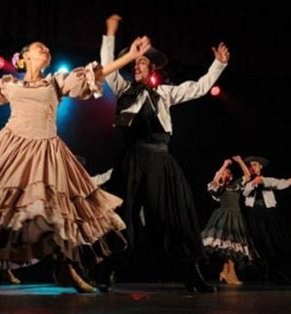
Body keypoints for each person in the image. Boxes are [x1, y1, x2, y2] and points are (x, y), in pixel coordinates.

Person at [0, 36, 152, 295]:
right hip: (11, 150)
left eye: (47, 49)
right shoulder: (10, 85)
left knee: (58, 213)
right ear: (25, 57)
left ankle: (66, 269)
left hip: (46, 151)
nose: (46, 50)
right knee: (2, 209)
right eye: (40, 48)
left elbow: (97, 73)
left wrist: (129, 57)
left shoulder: (56, 82)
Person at [98, 14, 230, 292]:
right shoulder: (123, 89)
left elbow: (200, 87)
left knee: (174, 215)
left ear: (153, 67)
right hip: (131, 161)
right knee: (120, 215)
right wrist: (110, 33)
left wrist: (218, 64)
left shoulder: (166, 94)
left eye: (142, 62)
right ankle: (106, 271)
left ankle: (191, 275)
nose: (137, 65)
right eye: (134, 62)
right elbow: (107, 68)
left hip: (160, 160)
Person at [242, 156, 291, 283]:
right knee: (258, 242)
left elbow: (283, 183)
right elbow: (245, 192)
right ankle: (265, 273)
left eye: (255, 164)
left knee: (272, 242)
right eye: (250, 166)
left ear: (260, 167)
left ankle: (277, 273)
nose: (252, 167)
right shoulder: (245, 181)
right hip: (254, 213)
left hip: (268, 213)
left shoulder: (267, 180)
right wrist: (253, 183)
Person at [201, 156, 259, 285]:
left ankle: (226, 272)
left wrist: (239, 161)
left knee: (232, 246)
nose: (225, 174)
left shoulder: (236, 185)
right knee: (229, 246)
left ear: (231, 177)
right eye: (223, 173)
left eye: (228, 173)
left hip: (236, 216)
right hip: (224, 216)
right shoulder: (218, 188)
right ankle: (230, 273)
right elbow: (213, 182)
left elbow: (247, 175)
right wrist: (223, 166)